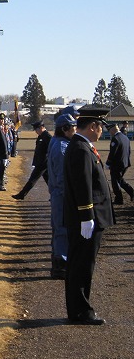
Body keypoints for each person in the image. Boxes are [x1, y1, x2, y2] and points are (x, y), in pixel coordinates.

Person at [63, 106, 114, 325]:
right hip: (86, 218)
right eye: (100, 126)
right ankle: (81, 311)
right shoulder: (81, 149)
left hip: (88, 216)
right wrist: (86, 216)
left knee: (82, 264)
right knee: (82, 266)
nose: (102, 130)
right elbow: (82, 184)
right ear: (93, 126)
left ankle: (79, 309)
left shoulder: (82, 146)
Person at [47, 113, 77, 279]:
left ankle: (59, 262)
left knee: (59, 229)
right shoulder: (62, 148)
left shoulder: (58, 143)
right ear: (65, 129)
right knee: (62, 230)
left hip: (58, 193)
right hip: (62, 194)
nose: (75, 130)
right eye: (73, 127)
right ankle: (60, 266)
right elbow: (63, 177)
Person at [12, 120, 52, 200]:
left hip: (43, 163)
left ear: (41, 127)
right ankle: (54, 194)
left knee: (32, 179)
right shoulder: (41, 136)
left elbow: (51, 150)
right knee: (49, 181)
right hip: (41, 162)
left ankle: (22, 194)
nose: (35, 131)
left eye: (36, 129)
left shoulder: (47, 136)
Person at [105, 122, 133, 204]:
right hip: (125, 163)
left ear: (113, 130)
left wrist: (108, 163)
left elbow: (113, 152)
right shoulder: (125, 137)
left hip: (117, 165)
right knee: (120, 180)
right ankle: (131, 192)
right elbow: (129, 151)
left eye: (109, 130)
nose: (109, 132)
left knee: (115, 182)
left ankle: (119, 199)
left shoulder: (115, 138)